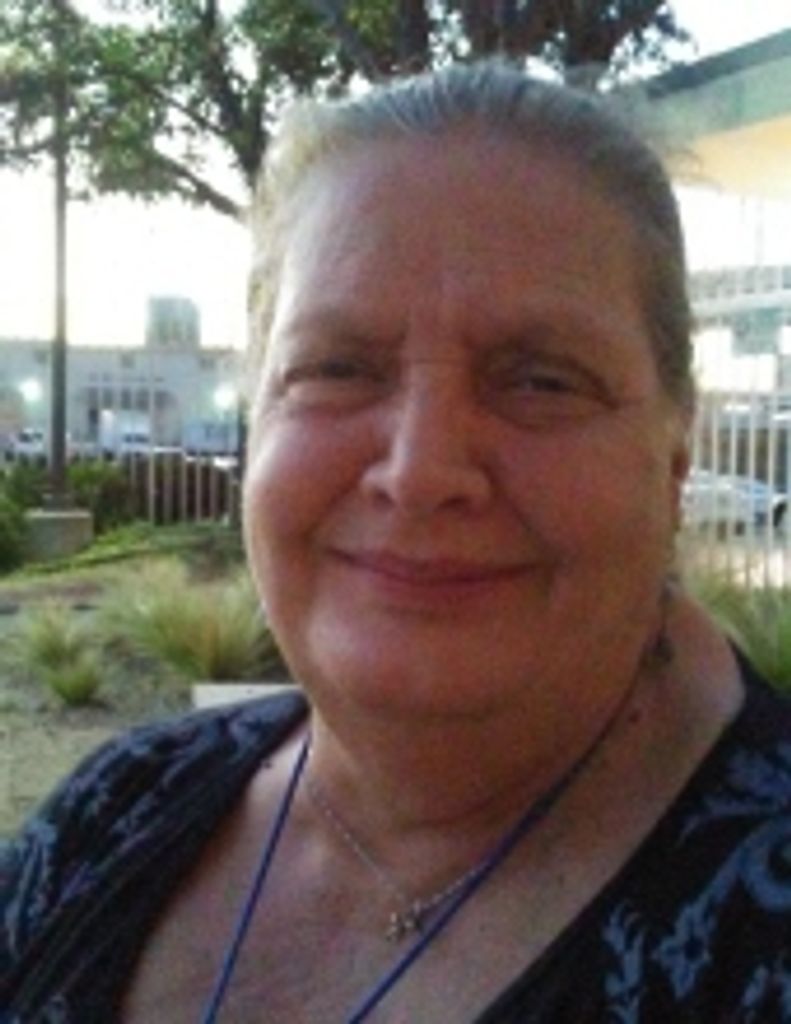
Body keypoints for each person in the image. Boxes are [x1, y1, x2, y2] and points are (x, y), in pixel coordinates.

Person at [3, 61, 791, 1024]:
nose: (418, 472)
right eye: (337, 368)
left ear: (673, 454)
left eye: (540, 379)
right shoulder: (112, 814)